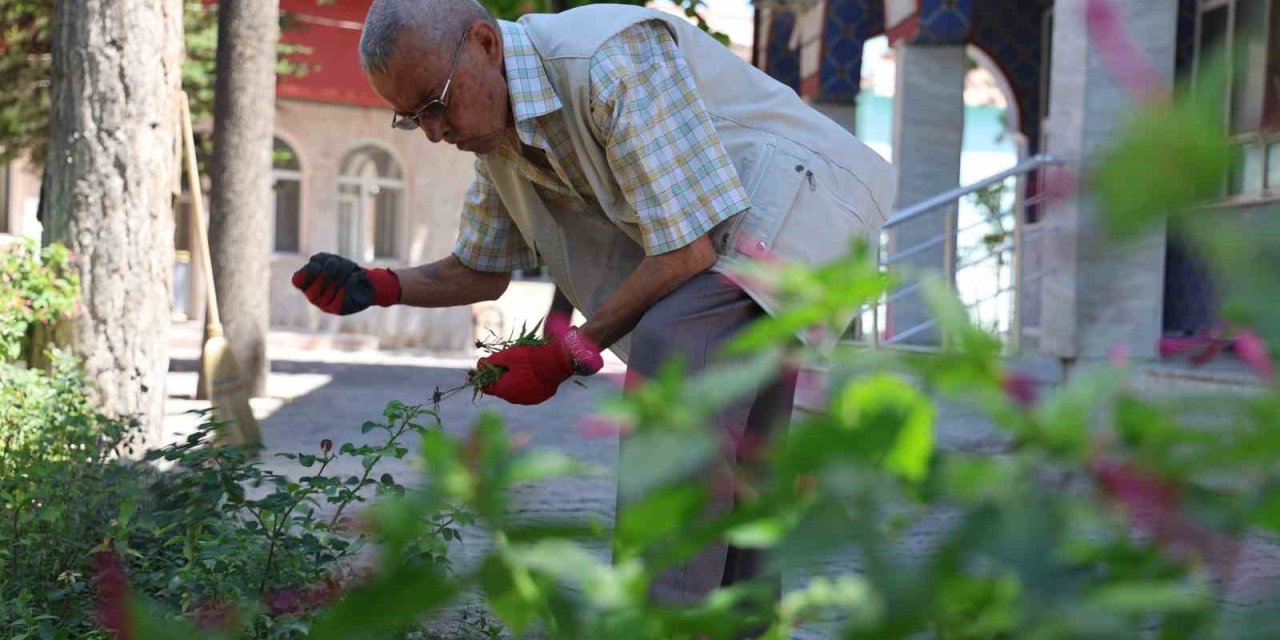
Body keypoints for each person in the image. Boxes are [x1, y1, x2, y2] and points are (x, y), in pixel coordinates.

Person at [291, 0, 895, 603]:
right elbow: (478, 271)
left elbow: (686, 249)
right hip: (735, 236)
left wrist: (568, 352)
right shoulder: (495, 136)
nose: (433, 131)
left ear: (485, 44)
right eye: (410, 118)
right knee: (742, 482)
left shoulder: (610, 58)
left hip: (804, 198)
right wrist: (379, 285)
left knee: (676, 345)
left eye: (434, 103)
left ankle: (656, 620)